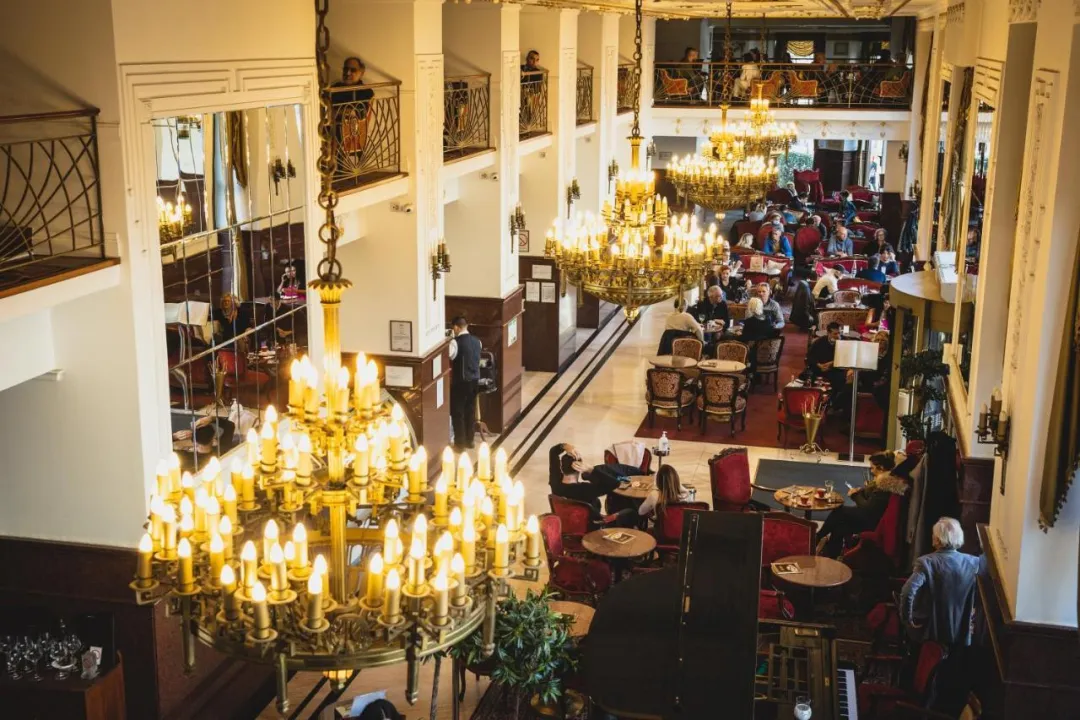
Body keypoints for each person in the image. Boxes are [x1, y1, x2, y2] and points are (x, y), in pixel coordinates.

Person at [900, 517, 982, 647]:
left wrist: (907, 620)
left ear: (937, 539)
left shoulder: (926, 562)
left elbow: (907, 592)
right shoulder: (975, 563)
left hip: (930, 633)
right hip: (961, 633)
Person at [817, 451, 908, 557]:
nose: (871, 471)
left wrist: (855, 495)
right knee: (839, 527)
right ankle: (832, 555)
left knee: (839, 512)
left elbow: (867, 508)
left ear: (881, 468)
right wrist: (862, 491)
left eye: (872, 468)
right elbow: (871, 500)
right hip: (872, 517)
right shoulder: (884, 481)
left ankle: (818, 537)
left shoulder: (884, 485)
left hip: (872, 521)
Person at [548, 443, 644, 524]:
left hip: (566, 525)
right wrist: (591, 470)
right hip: (593, 526)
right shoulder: (587, 489)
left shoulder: (555, 482)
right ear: (580, 468)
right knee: (630, 512)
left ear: (562, 467)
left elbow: (553, 452)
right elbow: (615, 484)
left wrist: (565, 446)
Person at [448, 316, 482, 451]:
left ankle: (460, 444)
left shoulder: (455, 343)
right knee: (470, 410)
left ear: (456, 327)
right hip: (475, 381)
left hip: (460, 382)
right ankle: (470, 440)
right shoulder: (477, 341)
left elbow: (449, 356)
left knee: (458, 412)